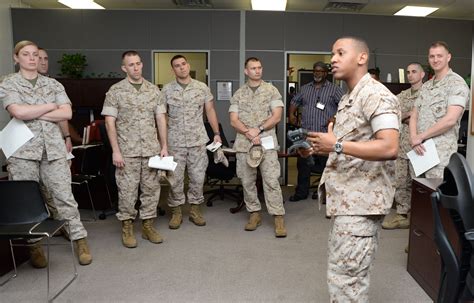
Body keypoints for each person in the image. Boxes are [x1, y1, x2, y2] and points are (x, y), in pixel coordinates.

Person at [302, 37, 400, 301]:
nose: (332, 59)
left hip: (363, 202)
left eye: (340, 53)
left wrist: (336, 145)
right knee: (342, 274)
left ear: (362, 57)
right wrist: (322, 147)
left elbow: (390, 147)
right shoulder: (348, 98)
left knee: (348, 280)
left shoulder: (376, 95)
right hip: (347, 201)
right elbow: (350, 145)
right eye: (332, 53)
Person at [0, 40, 92, 266]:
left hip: (53, 150)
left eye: (35, 55)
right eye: (26, 54)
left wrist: (33, 112)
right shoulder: (8, 83)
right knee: (26, 201)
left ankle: (79, 240)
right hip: (22, 152)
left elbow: (67, 113)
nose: (32, 58)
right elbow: (17, 111)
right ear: (16, 58)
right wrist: (51, 107)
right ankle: (34, 247)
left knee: (64, 197)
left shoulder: (53, 85)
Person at [102, 50, 168, 248]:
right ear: (124, 68)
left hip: (150, 150)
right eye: (131, 65)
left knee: (151, 190)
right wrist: (115, 150)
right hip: (127, 151)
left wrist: (164, 146)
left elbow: (160, 120)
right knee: (127, 191)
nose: (136, 67)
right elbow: (109, 122)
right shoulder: (115, 91)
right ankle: (127, 227)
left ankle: (148, 226)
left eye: (138, 63)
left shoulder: (154, 91)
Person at [161, 55, 221, 229]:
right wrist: (163, 141)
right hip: (175, 141)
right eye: (177, 66)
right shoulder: (166, 90)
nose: (181, 68)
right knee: (175, 179)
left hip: (197, 141)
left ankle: (195, 210)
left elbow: (209, 110)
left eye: (183, 64)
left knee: (197, 177)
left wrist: (216, 133)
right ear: (173, 70)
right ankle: (177, 212)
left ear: (188, 65)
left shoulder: (201, 88)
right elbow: (162, 116)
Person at [229, 57, 287, 238]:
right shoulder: (238, 94)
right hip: (245, 143)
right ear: (246, 71)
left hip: (266, 143)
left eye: (259, 67)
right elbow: (233, 120)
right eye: (253, 68)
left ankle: (278, 217)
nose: (257, 71)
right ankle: (254, 213)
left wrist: (259, 129)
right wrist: (248, 133)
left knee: (271, 180)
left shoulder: (271, 91)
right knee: (247, 181)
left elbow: (277, 116)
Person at [409, 41, 469, 178]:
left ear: (448, 57)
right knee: (419, 196)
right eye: (432, 56)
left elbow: (450, 120)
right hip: (418, 153)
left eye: (439, 56)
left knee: (436, 196)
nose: (435, 60)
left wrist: (420, 137)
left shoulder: (456, 84)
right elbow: (414, 114)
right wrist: (413, 138)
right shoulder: (426, 86)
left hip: (440, 157)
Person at [288, 61, 343, 202]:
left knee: (327, 165)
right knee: (303, 165)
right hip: (307, 135)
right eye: (315, 70)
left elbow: (344, 107)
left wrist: (335, 117)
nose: (317, 73)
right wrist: (292, 115)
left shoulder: (334, 89)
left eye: (320, 71)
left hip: (325, 134)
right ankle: (301, 193)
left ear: (326, 73)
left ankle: (325, 194)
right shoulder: (305, 88)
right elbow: (294, 101)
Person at [382, 63, 425, 230]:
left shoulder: (427, 94)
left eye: (414, 72)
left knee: (419, 183)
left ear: (422, 74)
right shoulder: (402, 95)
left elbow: (427, 118)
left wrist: (408, 117)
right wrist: (409, 115)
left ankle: (419, 216)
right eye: (408, 72)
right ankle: (401, 215)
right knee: (400, 182)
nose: (410, 75)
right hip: (402, 146)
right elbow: (392, 114)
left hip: (419, 147)